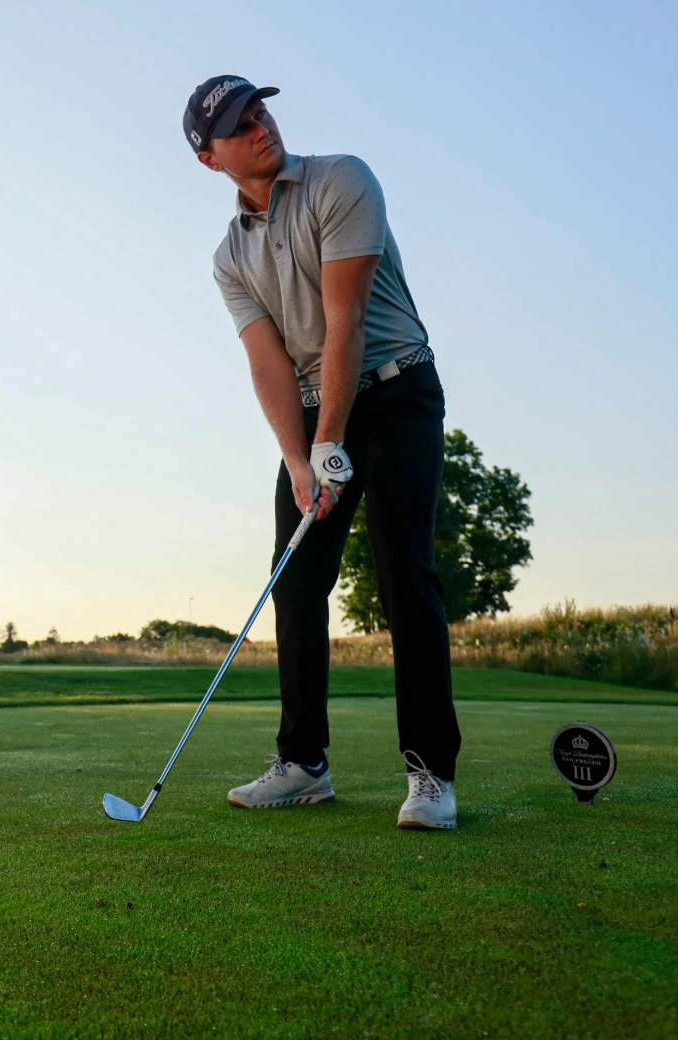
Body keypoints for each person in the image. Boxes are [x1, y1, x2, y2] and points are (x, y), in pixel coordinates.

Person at [183, 76, 462, 829]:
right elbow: (269, 364)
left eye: (259, 110)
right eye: (238, 127)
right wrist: (303, 461)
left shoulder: (342, 179)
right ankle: (303, 764)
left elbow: (347, 325)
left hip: (398, 392)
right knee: (296, 581)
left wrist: (332, 442)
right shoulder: (228, 257)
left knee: (405, 571)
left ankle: (432, 773)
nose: (259, 127)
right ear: (211, 159)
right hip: (312, 412)